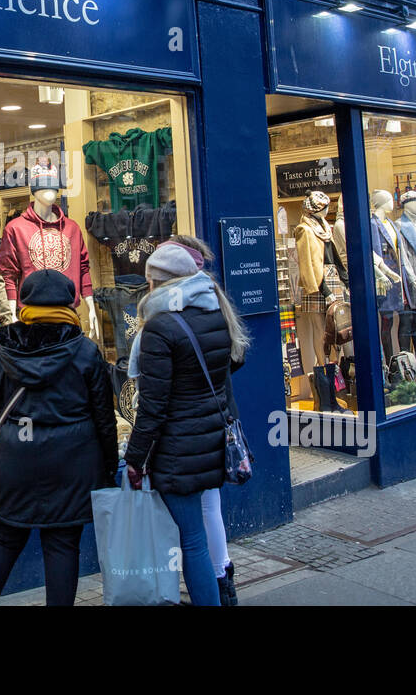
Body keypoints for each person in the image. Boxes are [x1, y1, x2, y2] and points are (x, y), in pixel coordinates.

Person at [0, 269, 118, 606]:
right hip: (72, 462)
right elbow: (104, 418)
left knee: (4, 537)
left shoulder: (0, 349)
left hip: (15, 459)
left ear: (26, 303)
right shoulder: (85, 351)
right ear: (69, 303)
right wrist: (109, 465)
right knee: (63, 542)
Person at [124, 239, 249, 607]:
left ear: (157, 282)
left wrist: (134, 458)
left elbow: (153, 405)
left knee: (191, 540)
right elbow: (229, 367)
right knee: (198, 531)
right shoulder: (214, 312)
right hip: (209, 440)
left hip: (178, 449)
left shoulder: (160, 328)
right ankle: (220, 589)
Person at [167, 234, 240, 606]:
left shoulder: (184, 306)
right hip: (220, 413)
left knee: (202, 513)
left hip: (198, 419)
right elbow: (236, 355)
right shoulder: (213, 299)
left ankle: (216, 584)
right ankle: (222, 581)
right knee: (210, 506)